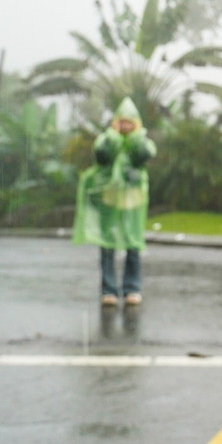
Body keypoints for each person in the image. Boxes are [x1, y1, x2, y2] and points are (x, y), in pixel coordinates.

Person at [73, 98, 155, 307]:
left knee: (133, 243)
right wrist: (114, 139)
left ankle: (132, 289)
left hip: (132, 200)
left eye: (130, 122)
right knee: (107, 244)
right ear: (115, 122)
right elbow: (101, 157)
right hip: (110, 199)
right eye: (122, 121)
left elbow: (144, 155)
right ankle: (108, 290)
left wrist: (134, 141)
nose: (125, 126)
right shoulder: (105, 140)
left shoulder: (142, 140)